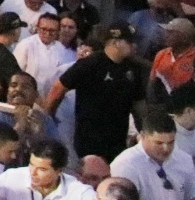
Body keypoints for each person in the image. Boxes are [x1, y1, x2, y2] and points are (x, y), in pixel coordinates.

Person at [47, 21, 148, 161]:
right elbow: (59, 87)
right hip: (89, 139)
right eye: (130, 42)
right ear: (116, 42)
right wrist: (49, 116)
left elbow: (139, 104)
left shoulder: (133, 69)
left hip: (117, 139)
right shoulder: (91, 64)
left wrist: (145, 130)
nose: (134, 46)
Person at [109, 110, 195, 200]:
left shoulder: (183, 159)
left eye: (171, 142)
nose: (166, 149)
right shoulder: (126, 165)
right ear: (143, 136)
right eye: (159, 143)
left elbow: (194, 191)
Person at [0, 139, 95, 200]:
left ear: (59, 170)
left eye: (42, 169)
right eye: (31, 164)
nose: (32, 173)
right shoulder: (12, 177)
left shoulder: (79, 193)